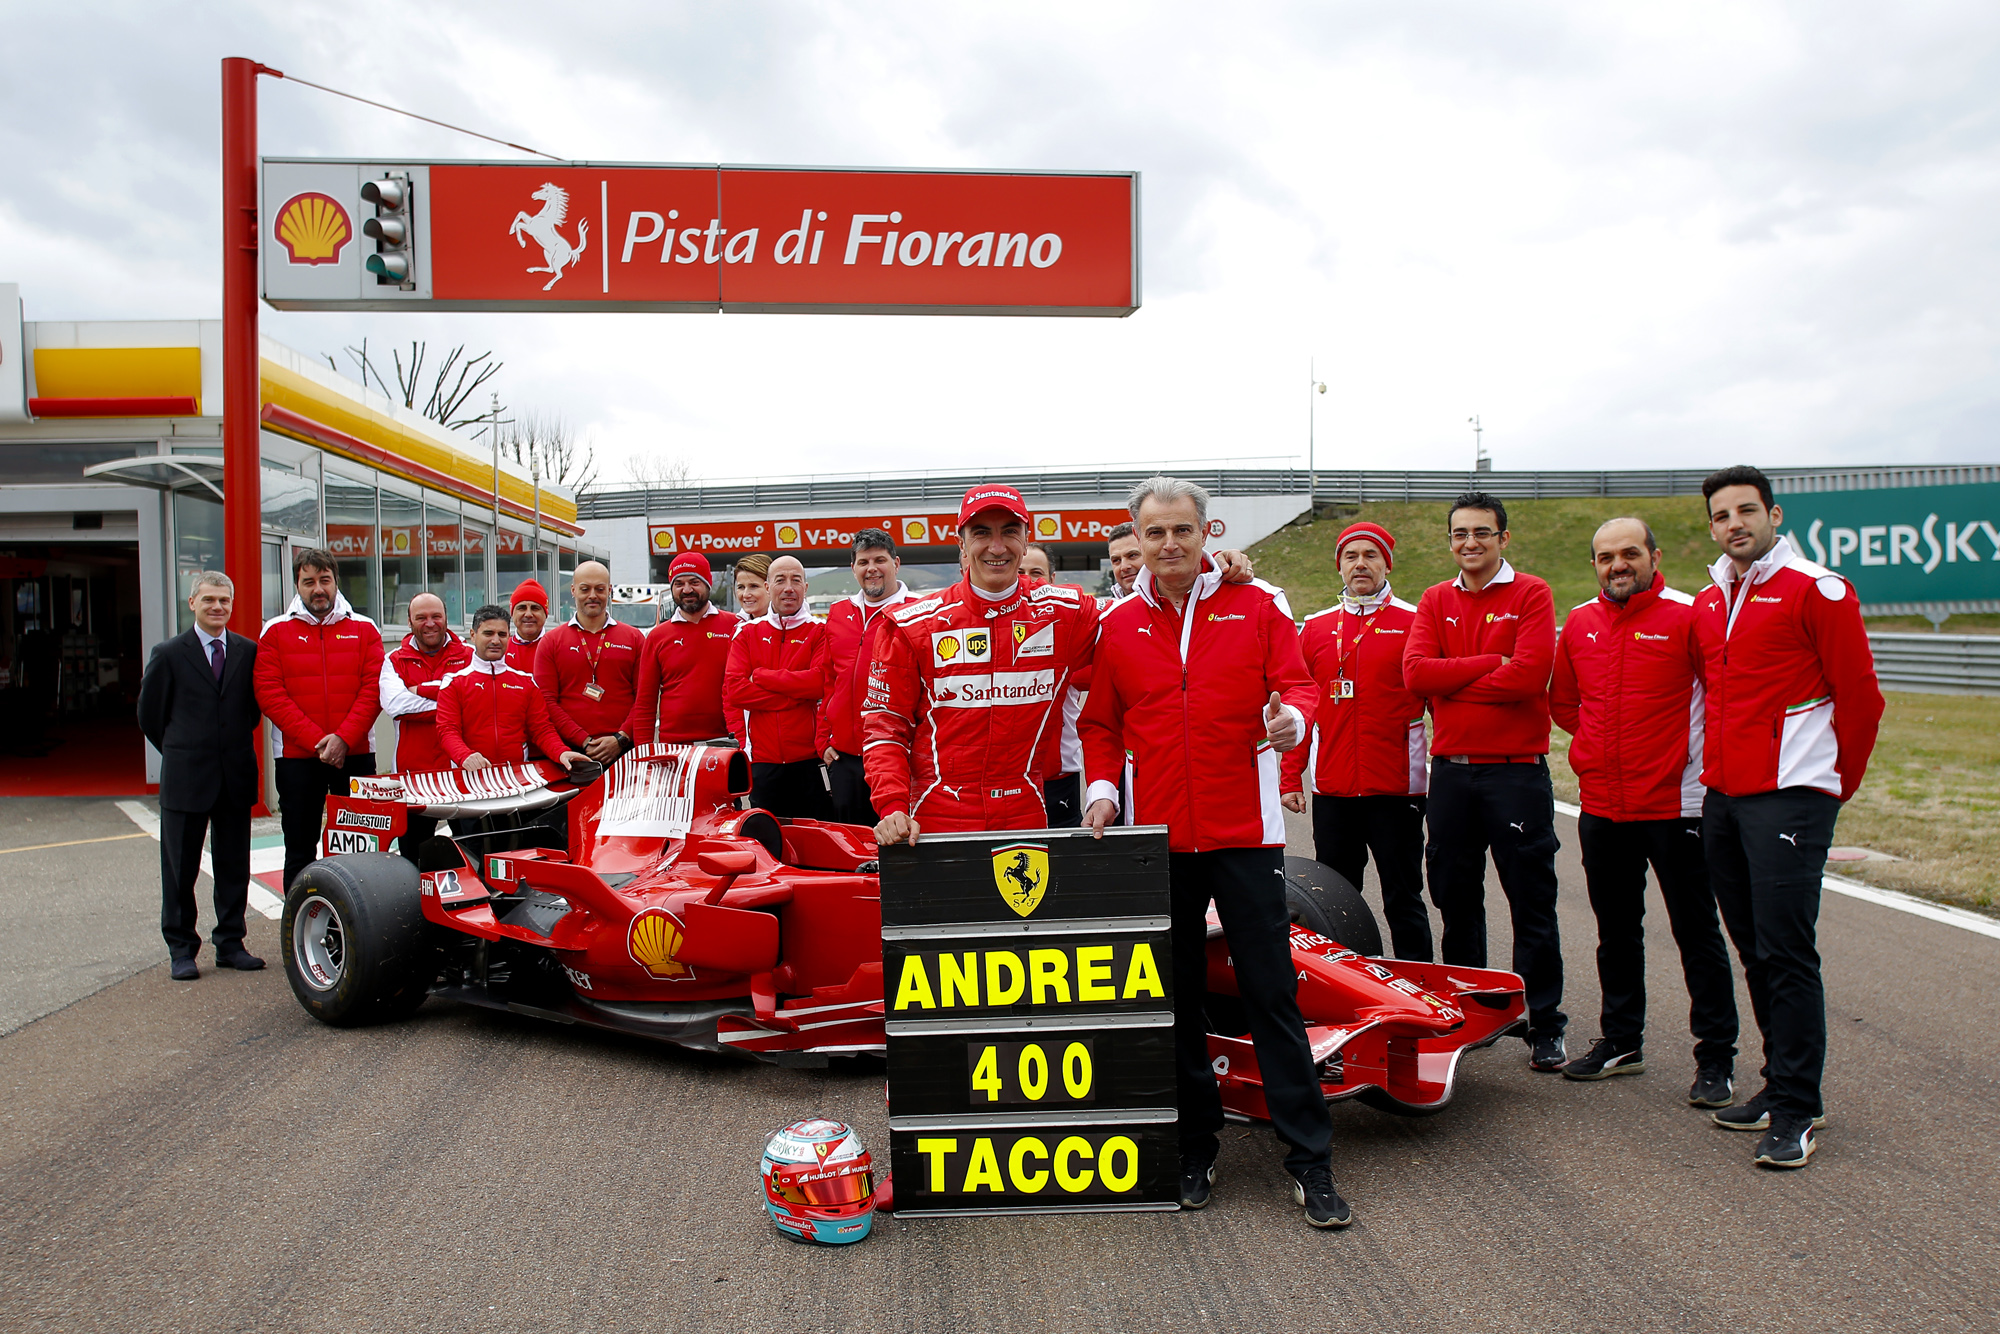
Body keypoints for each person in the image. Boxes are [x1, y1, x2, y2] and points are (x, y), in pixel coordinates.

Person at [1080, 476, 1348, 1230]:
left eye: (1182, 532)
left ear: (1207, 533)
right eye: (1154, 534)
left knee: (1271, 995)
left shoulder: (1258, 603)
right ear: (1137, 540)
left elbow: (1298, 684)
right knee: (1176, 1000)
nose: (1169, 546)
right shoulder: (1115, 624)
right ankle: (1196, 1146)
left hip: (1246, 834)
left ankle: (1309, 1161)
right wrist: (1103, 787)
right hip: (1157, 836)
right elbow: (1101, 722)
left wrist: (1292, 720)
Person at [1693, 466, 1883, 1169]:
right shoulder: (1713, 601)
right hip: (1726, 797)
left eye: (1747, 510)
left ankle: (1799, 1108)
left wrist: (1830, 787)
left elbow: (1861, 699)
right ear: (1712, 527)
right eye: (1721, 515)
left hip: (1791, 796)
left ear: (1773, 514)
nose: (1734, 523)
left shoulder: (1818, 588)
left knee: (1787, 952)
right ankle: (1779, 1086)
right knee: (1753, 950)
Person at [1551, 517, 1739, 1101]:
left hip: (1678, 804)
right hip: (1604, 805)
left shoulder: (1691, 614)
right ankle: (1622, 1042)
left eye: (1630, 553)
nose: (1618, 565)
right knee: (1615, 932)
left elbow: (1726, 697)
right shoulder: (1579, 622)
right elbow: (1564, 703)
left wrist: (1677, 760)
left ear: (1655, 556)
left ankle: (1716, 1059)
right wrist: (1598, 755)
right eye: (1606, 557)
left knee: (1696, 932)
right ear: (1595, 566)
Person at [1402, 492, 1566, 1071]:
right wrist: (1490, 663)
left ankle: (1545, 1022)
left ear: (1503, 538)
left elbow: (1528, 677)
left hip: (1514, 775)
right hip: (1451, 775)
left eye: (1481, 532)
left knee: (1531, 904)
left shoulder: (1532, 592)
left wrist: (1456, 680)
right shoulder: (1435, 598)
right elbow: (1416, 674)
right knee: (1456, 898)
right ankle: (1470, 1014)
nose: (1469, 542)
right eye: (1460, 533)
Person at [864, 485, 1104, 841]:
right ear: (961, 543)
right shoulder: (912, 625)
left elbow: (1145, 619)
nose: (997, 546)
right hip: (933, 817)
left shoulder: (1065, 613)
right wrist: (892, 805)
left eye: (1009, 531)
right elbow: (885, 728)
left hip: (1027, 810)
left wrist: (1211, 573)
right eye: (981, 533)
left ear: (1026, 539)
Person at [1279, 521, 1431, 960]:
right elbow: (1301, 705)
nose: (1360, 564)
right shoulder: (1318, 628)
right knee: (1335, 900)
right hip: (1335, 790)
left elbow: (1436, 699)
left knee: (1404, 899)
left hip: (1396, 788)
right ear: (1339, 566)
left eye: (1371, 555)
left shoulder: (1414, 620)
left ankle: (1421, 983)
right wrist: (1292, 777)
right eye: (1351, 556)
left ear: (1387, 562)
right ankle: (1348, 989)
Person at [136, 572, 264, 980]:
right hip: (186, 777)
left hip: (234, 775)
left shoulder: (247, 651)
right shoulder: (169, 652)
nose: (217, 607)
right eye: (209, 599)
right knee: (180, 869)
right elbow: (150, 716)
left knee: (233, 866)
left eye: (224, 601)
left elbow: (251, 713)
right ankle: (181, 949)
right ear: (192, 603)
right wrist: (182, 750)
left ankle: (230, 943)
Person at [255, 548, 385, 891]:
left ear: (335, 581)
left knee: (359, 845)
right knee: (299, 847)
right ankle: (298, 924)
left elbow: (373, 690)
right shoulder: (275, 631)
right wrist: (319, 740)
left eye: (324, 580)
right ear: (297, 584)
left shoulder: (364, 628)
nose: (318, 589)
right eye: (308, 581)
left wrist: (342, 738)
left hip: (355, 754)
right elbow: (270, 694)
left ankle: (360, 921)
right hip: (297, 758)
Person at [725, 555, 833, 818]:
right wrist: (795, 695)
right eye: (780, 580)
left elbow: (818, 683)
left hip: (810, 759)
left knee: (815, 841)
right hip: (763, 760)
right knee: (768, 840)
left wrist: (762, 676)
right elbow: (736, 691)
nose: (788, 587)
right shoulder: (746, 633)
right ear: (767, 586)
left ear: (805, 588)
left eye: (796, 580)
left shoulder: (820, 630)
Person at [817, 530, 911, 825]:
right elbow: (829, 681)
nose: (872, 568)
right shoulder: (838, 613)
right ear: (853, 568)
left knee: (897, 851)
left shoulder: (918, 612)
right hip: (846, 760)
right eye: (863, 561)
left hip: (900, 759)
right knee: (851, 851)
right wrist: (823, 740)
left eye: (880, 560)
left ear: (895, 563)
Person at [437, 605, 590, 774]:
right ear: (473, 635)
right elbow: (447, 731)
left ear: (509, 636)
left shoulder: (526, 682)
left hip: (515, 777)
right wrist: (465, 756)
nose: (495, 641)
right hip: (468, 776)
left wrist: (561, 752)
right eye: (488, 634)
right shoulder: (453, 683)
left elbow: (541, 729)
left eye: (502, 634)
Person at [378, 592, 474, 861]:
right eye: (421, 617)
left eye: (436, 616)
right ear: (409, 622)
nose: (429, 623)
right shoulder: (394, 659)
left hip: (462, 776)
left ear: (446, 619)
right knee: (412, 859)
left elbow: (477, 700)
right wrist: (453, 704)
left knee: (472, 855)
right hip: (413, 777)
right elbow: (396, 705)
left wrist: (420, 690)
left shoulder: (470, 654)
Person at [535, 561, 645, 766]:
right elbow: (546, 701)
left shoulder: (634, 638)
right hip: (571, 752)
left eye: (600, 589)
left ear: (609, 591)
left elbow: (644, 697)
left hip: (625, 751)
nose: (592, 595)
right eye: (585, 589)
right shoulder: (551, 642)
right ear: (573, 591)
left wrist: (620, 738)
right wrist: (583, 740)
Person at [626, 551, 741, 746]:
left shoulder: (735, 626)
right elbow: (645, 704)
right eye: (679, 584)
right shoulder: (657, 637)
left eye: (694, 582)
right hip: (674, 745)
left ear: (707, 584)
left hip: (727, 741)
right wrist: (644, 753)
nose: (687, 590)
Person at [1021, 543, 1084, 828]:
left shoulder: (1073, 625)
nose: (1028, 580)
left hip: (1059, 779)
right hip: (1007, 784)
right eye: (1021, 572)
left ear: (1052, 580)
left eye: (1037, 573)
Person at [726, 554, 774, 745]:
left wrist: (758, 679)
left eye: (753, 586)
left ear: (769, 587)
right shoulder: (738, 630)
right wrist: (739, 736)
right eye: (741, 587)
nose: (746, 594)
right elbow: (731, 693)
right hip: (748, 741)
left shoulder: (799, 627)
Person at [504, 578, 549, 673]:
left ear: (545, 614)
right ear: (512, 613)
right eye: (522, 608)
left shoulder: (558, 648)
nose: (528, 614)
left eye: (535, 608)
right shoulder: (501, 650)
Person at [1105, 520, 1143, 599]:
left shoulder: (1174, 604)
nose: (1124, 567)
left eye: (1132, 555)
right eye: (1116, 560)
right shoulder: (1109, 610)